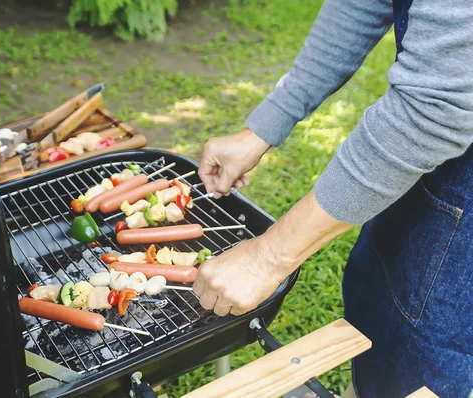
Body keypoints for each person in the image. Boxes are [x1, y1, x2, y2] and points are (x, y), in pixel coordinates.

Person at [193, 0, 473, 396]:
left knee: (430, 360)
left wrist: (268, 257)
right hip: (425, 163)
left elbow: (434, 108)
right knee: (378, 302)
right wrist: (264, 126)